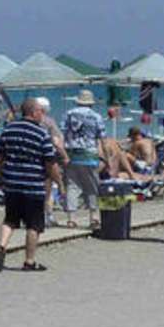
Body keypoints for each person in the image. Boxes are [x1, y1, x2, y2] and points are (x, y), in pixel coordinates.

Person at [0, 96, 60, 271]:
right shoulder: (41, 133)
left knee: (10, 220)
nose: (42, 114)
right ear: (33, 112)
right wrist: (59, 182)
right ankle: (29, 261)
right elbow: (50, 162)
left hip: (12, 182)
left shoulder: (9, 129)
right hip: (33, 185)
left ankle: (2, 245)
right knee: (34, 224)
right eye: (41, 111)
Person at [60, 89, 105, 229]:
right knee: (92, 186)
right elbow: (102, 138)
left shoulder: (68, 114)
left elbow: (62, 134)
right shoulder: (96, 116)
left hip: (72, 154)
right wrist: (105, 157)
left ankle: (71, 219)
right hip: (89, 154)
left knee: (72, 186)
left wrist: (63, 154)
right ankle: (94, 217)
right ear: (91, 103)